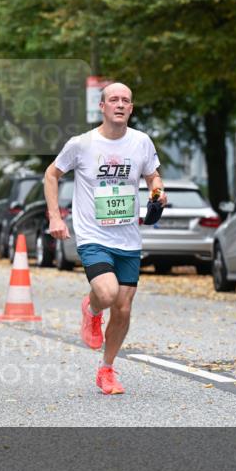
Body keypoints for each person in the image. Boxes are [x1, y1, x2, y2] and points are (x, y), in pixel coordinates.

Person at [44, 82, 166, 395]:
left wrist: (157, 193)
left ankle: (107, 369)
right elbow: (51, 175)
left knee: (124, 310)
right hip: (92, 234)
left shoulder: (141, 142)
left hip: (128, 237)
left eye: (126, 100)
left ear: (131, 107)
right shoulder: (82, 144)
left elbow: (153, 175)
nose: (120, 104)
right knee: (108, 293)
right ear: (103, 106)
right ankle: (92, 309)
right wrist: (56, 217)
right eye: (114, 99)